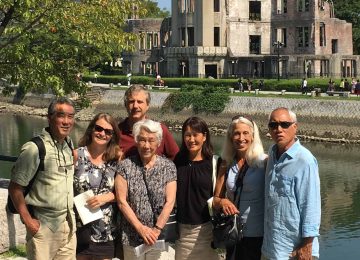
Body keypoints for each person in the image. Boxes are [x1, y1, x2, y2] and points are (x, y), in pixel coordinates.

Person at [8, 97, 77, 260]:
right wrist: (29, 222)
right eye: (61, 116)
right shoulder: (34, 148)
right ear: (49, 118)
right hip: (43, 227)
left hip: (68, 226)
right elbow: (15, 188)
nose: (66, 121)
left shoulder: (68, 144)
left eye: (71, 116)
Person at [262, 107, 321, 260]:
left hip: (294, 250)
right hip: (271, 246)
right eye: (273, 125)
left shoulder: (304, 161)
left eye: (284, 124)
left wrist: (307, 245)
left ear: (295, 127)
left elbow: (311, 205)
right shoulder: (272, 154)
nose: (278, 129)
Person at [114, 119, 177, 260]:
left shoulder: (168, 167)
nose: (146, 145)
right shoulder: (125, 166)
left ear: (159, 142)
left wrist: (156, 230)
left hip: (158, 237)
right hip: (131, 237)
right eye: (142, 140)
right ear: (136, 141)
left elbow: (170, 201)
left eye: (151, 140)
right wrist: (141, 228)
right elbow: (121, 201)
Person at [213, 116, 266, 260]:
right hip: (233, 232)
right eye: (236, 133)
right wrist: (223, 202)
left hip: (257, 234)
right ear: (230, 137)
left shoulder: (264, 162)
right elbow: (215, 199)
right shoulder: (226, 162)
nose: (241, 137)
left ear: (253, 136)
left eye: (245, 133)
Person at [74, 113, 121, 260]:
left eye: (108, 131)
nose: (102, 134)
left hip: (105, 232)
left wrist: (106, 197)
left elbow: (123, 193)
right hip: (79, 230)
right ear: (92, 129)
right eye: (99, 128)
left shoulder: (117, 158)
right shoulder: (76, 155)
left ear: (113, 135)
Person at [174, 117, 220, 260]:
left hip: (206, 230)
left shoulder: (215, 163)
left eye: (195, 135)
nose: (191, 139)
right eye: (187, 135)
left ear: (204, 136)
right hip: (181, 230)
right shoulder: (177, 161)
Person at [118, 85, 179, 160]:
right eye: (131, 101)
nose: (135, 106)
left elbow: (177, 158)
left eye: (140, 102)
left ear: (147, 105)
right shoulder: (116, 132)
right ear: (125, 105)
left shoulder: (160, 130)